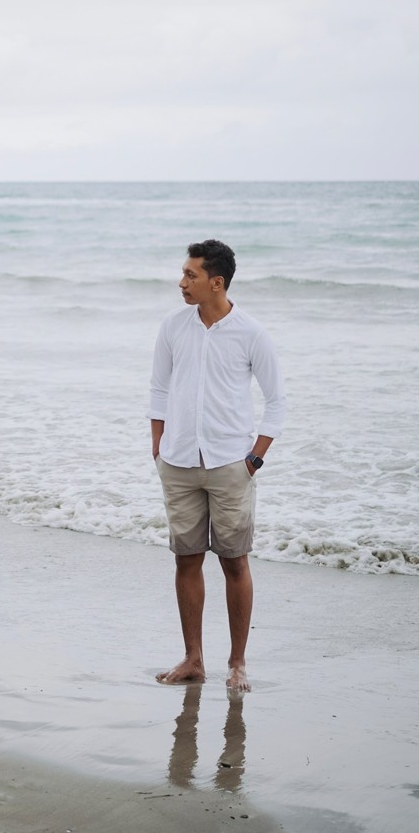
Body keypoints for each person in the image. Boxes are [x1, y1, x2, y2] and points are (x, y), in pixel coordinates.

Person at [148, 240, 286, 692]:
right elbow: (159, 389)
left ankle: (237, 663)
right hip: (179, 461)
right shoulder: (173, 326)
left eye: (191, 275)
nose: (182, 282)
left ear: (216, 282)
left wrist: (255, 457)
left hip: (231, 463)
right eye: (183, 273)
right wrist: (158, 445)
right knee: (186, 560)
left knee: (234, 563)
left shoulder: (251, 333)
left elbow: (277, 401)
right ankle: (193, 659)